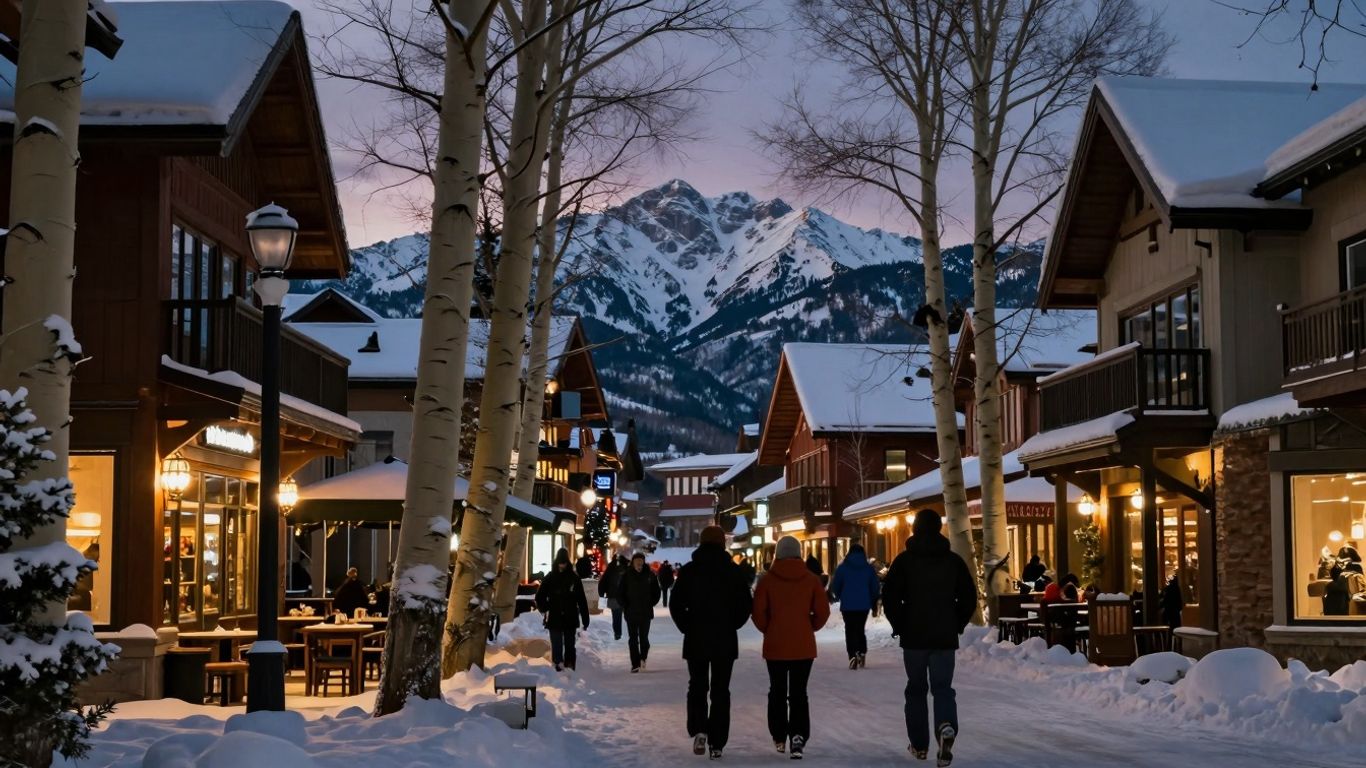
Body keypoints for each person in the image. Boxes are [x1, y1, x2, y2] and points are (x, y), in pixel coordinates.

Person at [882, 509, 977, 766]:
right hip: (944, 636)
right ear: (939, 528)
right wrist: (956, 622)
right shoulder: (953, 561)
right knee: (943, 688)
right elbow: (969, 596)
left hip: (914, 637)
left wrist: (899, 623)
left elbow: (890, 596)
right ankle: (945, 725)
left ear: (915, 529)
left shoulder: (903, 561)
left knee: (916, 689)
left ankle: (919, 745)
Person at [670, 525, 752, 760]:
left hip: (696, 638)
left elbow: (676, 604)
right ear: (722, 544)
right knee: (720, 690)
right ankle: (718, 742)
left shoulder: (689, 571)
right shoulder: (733, 572)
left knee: (697, 686)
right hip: (724, 640)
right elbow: (746, 605)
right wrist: (732, 624)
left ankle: (699, 730)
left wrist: (687, 625)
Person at [753, 535, 830, 759]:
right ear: (799, 553)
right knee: (798, 693)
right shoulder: (811, 579)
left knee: (777, 691)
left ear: (777, 553)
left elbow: (758, 612)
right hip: (803, 646)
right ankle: (798, 736)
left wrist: (769, 628)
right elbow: (823, 611)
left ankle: (779, 736)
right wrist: (809, 627)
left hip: (775, 645)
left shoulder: (767, 580)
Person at [535, 548, 591, 671]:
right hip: (555, 616)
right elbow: (540, 596)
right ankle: (558, 665)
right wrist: (545, 607)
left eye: (564, 563)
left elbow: (581, 599)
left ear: (567, 563)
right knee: (557, 644)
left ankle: (569, 666)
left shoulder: (573, 578)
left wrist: (585, 618)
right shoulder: (550, 577)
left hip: (570, 616)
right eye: (560, 563)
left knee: (570, 644)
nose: (562, 565)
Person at [830, 543, 881, 669]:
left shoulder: (842, 568)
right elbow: (875, 586)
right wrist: (872, 598)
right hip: (863, 605)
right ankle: (862, 652)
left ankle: (852, 654)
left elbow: (836, 585)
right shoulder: (868, 568)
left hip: (848, 605)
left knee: (850, 629)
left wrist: (839, 595)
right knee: (860, 629)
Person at [617, 552, 661, 672]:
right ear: (633, 563)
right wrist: (625, 604)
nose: (639, 565)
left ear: (643, 562)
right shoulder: (626, 575)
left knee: (644, 639)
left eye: (641, 562)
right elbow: (620, 593)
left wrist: (650, 602)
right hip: (631, 612)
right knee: (633, 639)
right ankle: (635, 663)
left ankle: (643, 657)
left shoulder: (650, 575)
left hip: (645, 612)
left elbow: (656, 592)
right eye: (637, 562)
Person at [603, 554, 628, 640]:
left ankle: (617, 633)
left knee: (616, 615)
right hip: (624, 596)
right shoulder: (626, 568)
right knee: (626, 614)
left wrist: (602, 593)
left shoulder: (610, 568)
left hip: (613, 596)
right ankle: (631, 631)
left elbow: (604, 581)